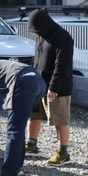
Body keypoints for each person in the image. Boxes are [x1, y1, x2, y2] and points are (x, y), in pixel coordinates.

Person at [25, 9, 74, 166]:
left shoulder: (63, 37)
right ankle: (31, 144)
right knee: (33, 114)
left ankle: (63, 152)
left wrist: (54, 86)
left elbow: (63, 65)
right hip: (39, 83)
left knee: (60, 119)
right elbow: (38, 59)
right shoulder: (42, 35)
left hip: (58, 87)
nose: (36, 32)